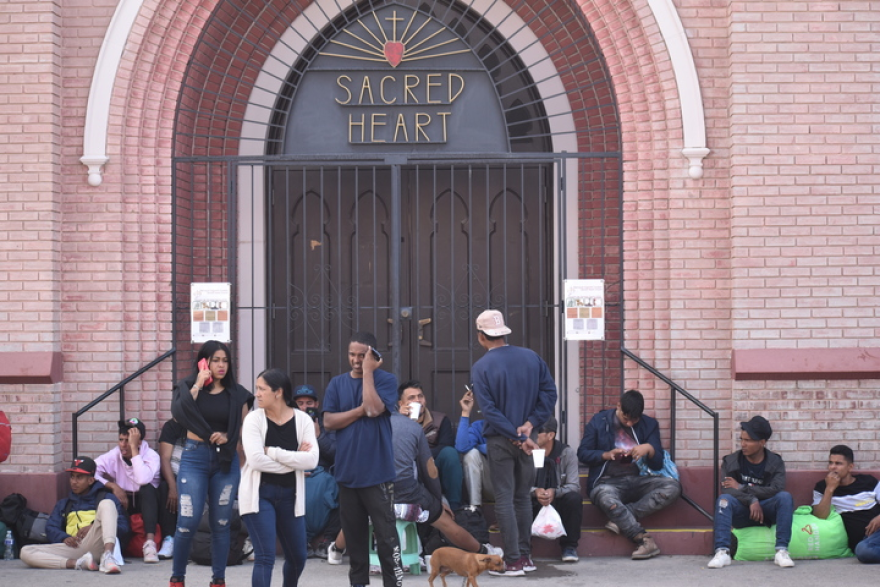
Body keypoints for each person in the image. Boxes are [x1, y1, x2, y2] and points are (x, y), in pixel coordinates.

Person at [470, 309, 557, 576]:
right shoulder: (531, 357)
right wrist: (530, 425)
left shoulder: (481, 367)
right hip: (529, 439)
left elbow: (490, 410)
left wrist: (516, 435)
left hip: (500, 439)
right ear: (504, 332)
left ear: (481, 336)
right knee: (522, 497)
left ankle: (513, 560)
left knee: (505, 499)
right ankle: (526, 558)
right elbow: (549, 394)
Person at [169, 340, 253, 587]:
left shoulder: (238, 394)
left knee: (221, 523)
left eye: (225, 360)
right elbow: (178, 414)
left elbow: (246, 430)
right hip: (194, 457)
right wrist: (198, 382)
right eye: (215, 360)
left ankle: (218, 579)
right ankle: (177, 578)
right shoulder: (187, 387)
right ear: (204, 362)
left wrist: (229, 437)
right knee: (188, 521)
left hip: (224, 462)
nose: (221, 365)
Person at [322, 332, 403, 587]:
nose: (356, 360)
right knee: (356, 546)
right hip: (347, 474)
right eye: (352, 354)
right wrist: (359, 411)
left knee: (387, 540)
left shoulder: (386, 380)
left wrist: (368, 373)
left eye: (362, 355)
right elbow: (328, 421)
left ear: (373, 355)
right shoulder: (337, 384)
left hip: (378, 474)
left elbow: (375, 408)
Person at [576, 389, 681, 560]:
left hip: (640, 480)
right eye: (626, 418)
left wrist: (649, 449)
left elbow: (658, 463)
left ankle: (623, 516)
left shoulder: (649, 424)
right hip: (607, 482)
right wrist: (606, 455)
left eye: (635, 419)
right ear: (618, 406)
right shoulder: (599, 421)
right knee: (604, 497)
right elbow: (583, 453)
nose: (630, 423)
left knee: (673, 487)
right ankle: (644, 540)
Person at [240, 368, 319, 587]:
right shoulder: (253, 420)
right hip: (259, 495)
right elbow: (255, 460)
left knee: (297, 557)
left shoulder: (302, 420)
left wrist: (272, 452)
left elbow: (311, 460)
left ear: (278, 392)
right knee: (265, 557)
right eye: (257, 389)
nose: (257, 394)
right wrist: (295, 461)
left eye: (261, 389)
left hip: (290, 497)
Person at [389, 408, 502, 558]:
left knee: (356, 522)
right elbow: (428, 469)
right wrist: (437, 500)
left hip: (374, 493)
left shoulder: (364, 425)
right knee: (446, 523)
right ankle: (484, 552)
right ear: (398, 403)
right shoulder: (411, 427)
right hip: (407, 492)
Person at [706, 415, 794, 569]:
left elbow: (776, 489)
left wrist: (741, 488)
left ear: (762, 442)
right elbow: (727, 489)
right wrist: (751, 500)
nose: (743, 444)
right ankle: (722, 552)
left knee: (785, 497)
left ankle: (782, 551)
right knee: (724, 499)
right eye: (742, 439)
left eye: (748, 440)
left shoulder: (775, 462)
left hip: (766, 511)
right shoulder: (731, 461)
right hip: (742, 511)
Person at [20, 456, 129, 573]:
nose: (74, 482)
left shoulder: (105, 497)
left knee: (107, 504)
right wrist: (64, 537)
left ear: (91, 480)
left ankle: (108, 557)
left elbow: (124, 527)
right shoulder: (64, 503)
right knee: (26, 551)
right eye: (72, 477)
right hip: (75, 547)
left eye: (79, 477)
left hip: (99, 544)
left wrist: (94, 527)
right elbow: (51, 527)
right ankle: (78, 563)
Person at [94, 416, 162, 563]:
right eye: (121, 440)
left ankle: (150, 544)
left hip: (148, 503)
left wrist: (134, 451)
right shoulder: (114, 455)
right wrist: (112, 485)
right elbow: (91, 470)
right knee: (108, 496)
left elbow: (142, 479)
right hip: (125, 499)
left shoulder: (151, 456)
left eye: (128, 441)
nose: (123, 445)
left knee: (147, 489)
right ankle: (116, 546)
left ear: (139, 442)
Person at [397, 380, 464, 510]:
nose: (418, 400)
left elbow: (446, 445)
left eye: (420, 396)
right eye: (412, 398)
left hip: (431, 463)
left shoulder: (439, 419)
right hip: (404, 465)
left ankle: (455, 506)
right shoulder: (394, 420)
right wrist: (400, 419)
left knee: (450, 453)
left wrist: (423, 457)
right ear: (401, 403)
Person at [811, 444, 880, 563]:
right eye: (831, 463)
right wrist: (830, 489)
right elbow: (820, 516)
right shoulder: (822, 487)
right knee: (863, 551)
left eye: (838, 464)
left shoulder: (869, 482)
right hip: (865, 542)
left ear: (850, 467)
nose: (833, 467)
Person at [532, 416, 582, 562]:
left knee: (574, 498)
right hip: (534, 501)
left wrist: (556, 492)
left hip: (557, 500)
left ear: (551, 435)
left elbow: (574, 485)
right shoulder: (528, 451)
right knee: (520, 499)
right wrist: (535, 491)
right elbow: (519, 484)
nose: (533, 435)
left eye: (538, 431)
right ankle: (523, 548)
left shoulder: (567, 453)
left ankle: (569, 547)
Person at [456, 388, 494, 508]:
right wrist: (465, 413)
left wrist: (481, 447)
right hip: (491, 483)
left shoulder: (515, 424)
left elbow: (501, 450)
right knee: (471, 454)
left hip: (513, 485)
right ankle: (475, 508)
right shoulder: (479, 426)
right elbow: (462, 447)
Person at [157, 418, 186, 559]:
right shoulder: (171, 426)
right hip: (175, 474)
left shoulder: (204, 422)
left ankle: (191, 542)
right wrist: (173, 487)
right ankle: (169, 539)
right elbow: (164, 458)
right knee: (164, 488)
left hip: (196, 475)